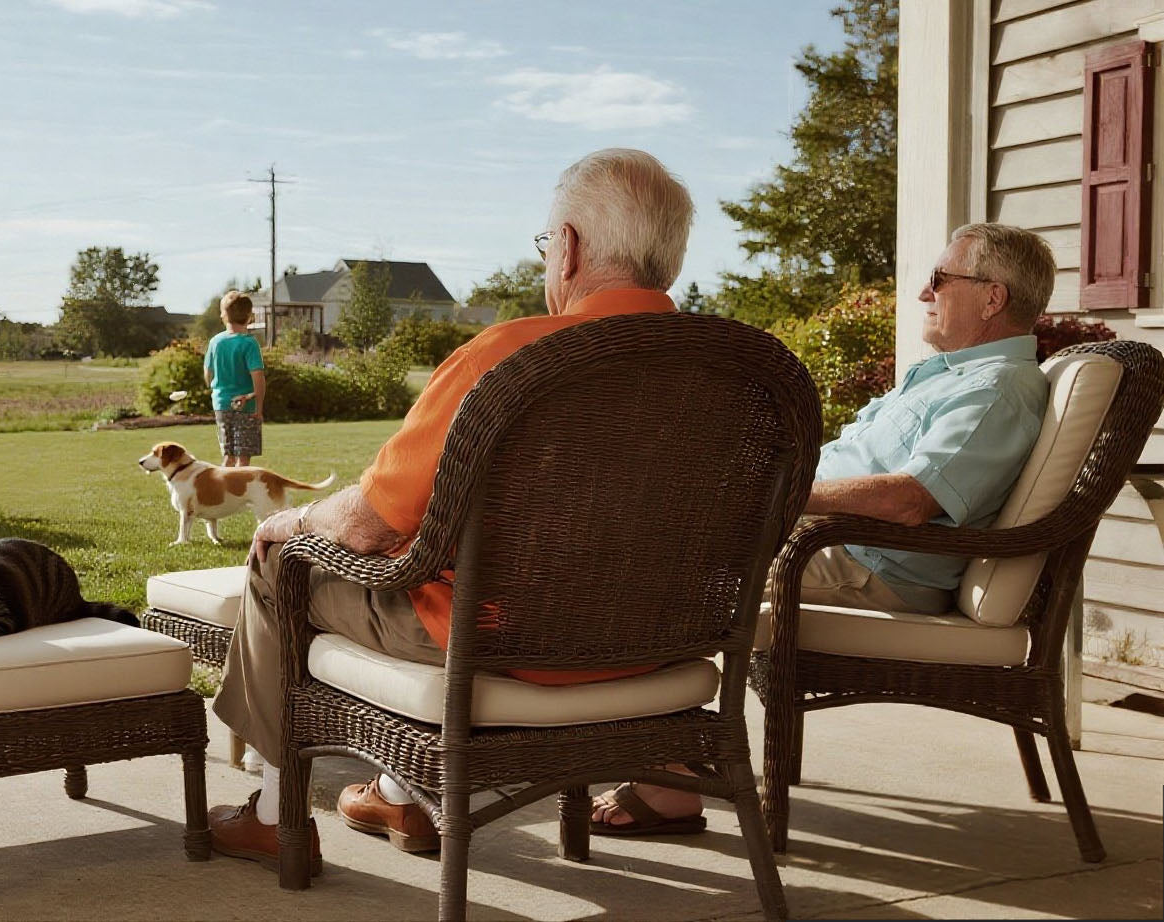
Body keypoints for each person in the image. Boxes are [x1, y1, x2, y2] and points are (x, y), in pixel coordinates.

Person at [204, 148, 695, 868]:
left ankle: (278, 815)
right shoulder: (740, 371)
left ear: (569, 248)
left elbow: (369, 523)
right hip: (658, 646)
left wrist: (293, 519)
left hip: (499, 643)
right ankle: (403, 794)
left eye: (544, 244)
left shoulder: (513, 356)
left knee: (284, 561)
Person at [591, 221, 1057, 834]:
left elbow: (913, 500)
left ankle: (662, 772)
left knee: (662, 574)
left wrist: (773, 497)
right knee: (646, 540)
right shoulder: (957, 376)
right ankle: (651, 753)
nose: (924, 293)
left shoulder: (996, 389)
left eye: (940, 280)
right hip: (834, 542)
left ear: (992, 298)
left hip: (869, 562)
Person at [204, 291, 265, 467]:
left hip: (221, 405)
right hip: (246, 407)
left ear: (224, 315)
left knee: (228, 456)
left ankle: (222, 493)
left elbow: (208, 374)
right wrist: (259, 407)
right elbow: (258, 377)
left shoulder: (215, 342)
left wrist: (216, 391)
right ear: (249, 316)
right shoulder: (249, 343)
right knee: (243, 458)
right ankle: (239, 493)